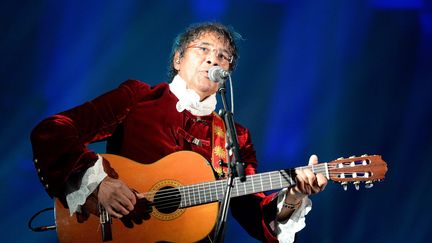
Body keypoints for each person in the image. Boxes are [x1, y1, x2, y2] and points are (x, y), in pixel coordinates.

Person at [30, 22, 327, 242]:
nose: (214, 59)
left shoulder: (236, 137)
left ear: (227, 75)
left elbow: (255, 216)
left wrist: (294, 196)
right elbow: (52, 131)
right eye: (204, 49)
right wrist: (99, 184)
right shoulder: (138, 98)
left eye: (224, 57)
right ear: (178, 60)